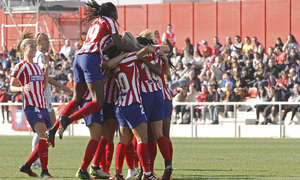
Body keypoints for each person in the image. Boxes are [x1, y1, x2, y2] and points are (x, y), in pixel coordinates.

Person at [46, 1, 135, 178]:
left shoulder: (96, 22)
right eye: (116, 11)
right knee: (98, 101)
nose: (117, 15)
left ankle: (54, 129)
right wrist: (134, 49)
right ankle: (68, 120)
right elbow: (118, 43)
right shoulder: (110, 20)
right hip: (91, 58)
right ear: (111, 11)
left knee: (77, 99)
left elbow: (103, 42)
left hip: (78, 57)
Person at [102, 38, 161, 180]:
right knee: (142, 139)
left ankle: (118, 174)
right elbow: (145, 50)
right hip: (132, 103)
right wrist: (153, 49)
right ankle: (147, 174)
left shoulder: (115, 65)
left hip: (120, 105)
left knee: (123, 141)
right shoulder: (128, 58)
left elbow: (108, 64)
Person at [10, 31, 52, 178]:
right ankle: (44, 172)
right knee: (43, 135)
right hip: (31, 105)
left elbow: (43, 87)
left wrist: (46, 72)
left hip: (42, 104)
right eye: (31, 46)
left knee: (47, 138)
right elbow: (11, 86)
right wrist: (22, 88)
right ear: (24, 49)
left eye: (35, 46)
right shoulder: (21, 66)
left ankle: (27, 166)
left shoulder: (37, 67)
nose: (34, 48)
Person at [31, 32, 72, 169]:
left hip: (44, 95)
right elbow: (43, 75)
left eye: (48, 39)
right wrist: (61, 86)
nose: (48, 42)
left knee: (49, 129)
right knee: (46, 130)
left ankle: (36, 158)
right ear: (38, 42)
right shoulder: (40, 55)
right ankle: (35, 160)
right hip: (43, 96)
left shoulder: (39, 55)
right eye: (45, 40)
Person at [136, 30, 173, 180]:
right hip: (164, 95)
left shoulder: (137, 56)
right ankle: (167, 167)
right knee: (164, 135)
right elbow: (166, 73)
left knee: (146, 138)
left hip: (148, 96)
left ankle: (145, 171)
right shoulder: (157, 53)